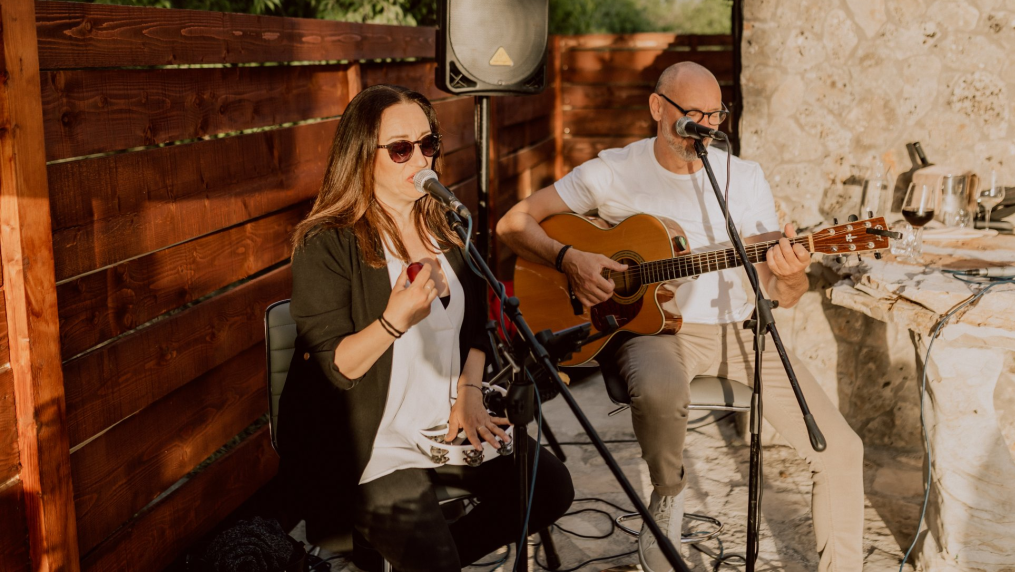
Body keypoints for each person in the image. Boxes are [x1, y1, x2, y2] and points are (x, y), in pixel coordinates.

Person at [496, 62, 864, 572]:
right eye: (692, 115)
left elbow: (784, 292)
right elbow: (513, 222)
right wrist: (571, 259)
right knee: (662, 387)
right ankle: (668, 494)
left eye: (715, 116)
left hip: (743, 330)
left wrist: (794, 272)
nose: (705, 128)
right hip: (658, 331)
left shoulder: (745, 178)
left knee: (843, 449)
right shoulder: (613, 171)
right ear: (656, 107)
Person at [277, 84, 574, 572]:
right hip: (372, 442)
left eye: (428, 143)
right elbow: (335, 366)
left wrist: (470, 390)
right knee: (433, 561)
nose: (419, 158)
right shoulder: (326, 242)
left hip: (445, 423)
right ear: (361, 157)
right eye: (400, 149)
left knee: (549, 489)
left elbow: (476, 324)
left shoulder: (447, 225)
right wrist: (395, 320)